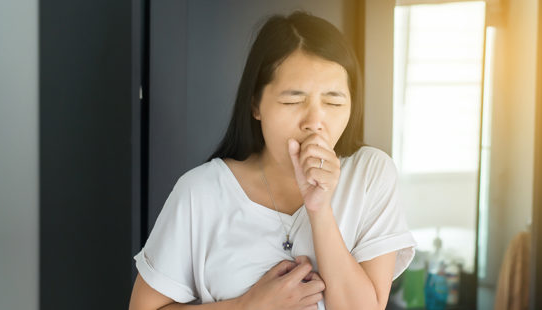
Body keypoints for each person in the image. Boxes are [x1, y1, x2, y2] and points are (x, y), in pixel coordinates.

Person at [129, 11, 416, 310]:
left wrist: (319, 210)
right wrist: (247, 306)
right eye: (293, 101)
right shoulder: (199, 191)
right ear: (255, 104)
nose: (315, 122)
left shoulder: (370, 174)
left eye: (334, 101)